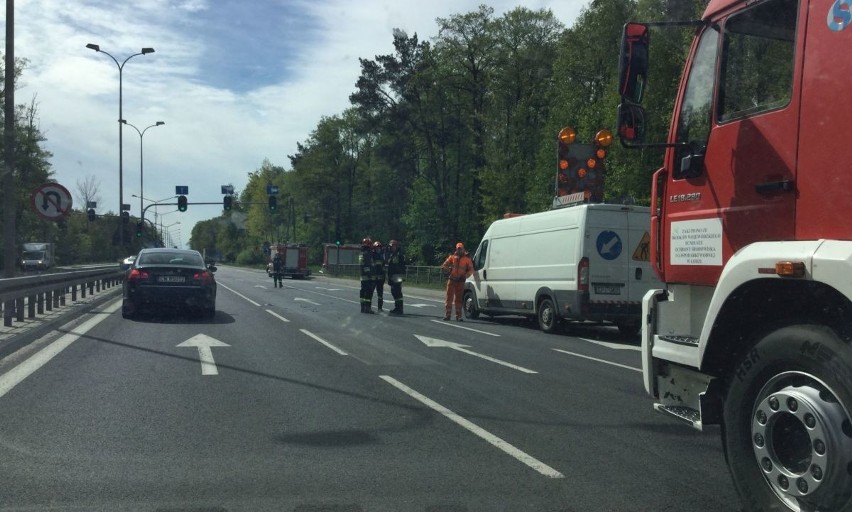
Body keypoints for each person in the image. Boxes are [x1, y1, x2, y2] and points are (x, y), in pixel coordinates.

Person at [441, 242, 474, 321]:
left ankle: (458, 316)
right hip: (452, 280)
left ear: (463, 249)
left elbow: (471, 270)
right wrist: (449, 271)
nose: (459, 250)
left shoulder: (467, 259)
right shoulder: (452, 257)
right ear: (456, 249)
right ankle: (447, 315)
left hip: (461, 281)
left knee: (458, 299)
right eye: (458, 249)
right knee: (449, 298)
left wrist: (465, 276)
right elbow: (444, 265)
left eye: (460, 249)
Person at [386, 240, 406, 315]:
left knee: (397, 292)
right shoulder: (392, 254)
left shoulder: (398, 254)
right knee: (395, 292)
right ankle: (398, 308)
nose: (391, 248)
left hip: (397, 276)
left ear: (396, 246)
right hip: (393, 276)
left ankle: (399, 309)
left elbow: (401, 266)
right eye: (390, 247)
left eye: (392, 246)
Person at [358, 237, 375, 314]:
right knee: (368, 292)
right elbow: (368, 265)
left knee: (363, 291)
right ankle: (368, 308)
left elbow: (362, 265)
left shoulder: (361, 253)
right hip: (368, 276)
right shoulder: (367, 254)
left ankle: (363, 308)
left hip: (362, 276)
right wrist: (370, 275)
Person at [371, 241, 387, 312]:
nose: (378, 249)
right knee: (370, 293)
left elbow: (383, 268)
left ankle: (380, 308)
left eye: (379, 248)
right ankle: (368, 307)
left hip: (380, 279)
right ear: (374, 248)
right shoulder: (372, 256)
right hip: (373, 278)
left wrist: (383, 277)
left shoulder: (382, 256)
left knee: (380, 294)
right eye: (377, 248)